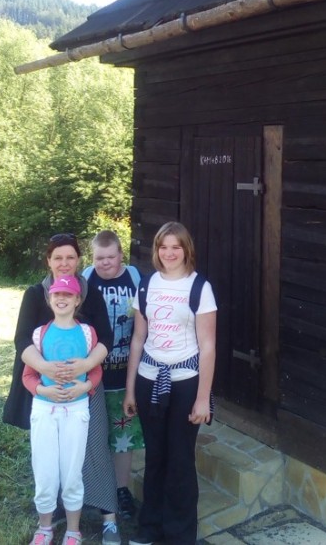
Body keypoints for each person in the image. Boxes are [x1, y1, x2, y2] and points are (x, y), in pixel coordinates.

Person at [2, 233, 122, 545]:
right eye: (58, 258)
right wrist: (45, 370)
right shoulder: (35, 295)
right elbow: (22, 340)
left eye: (70, 257)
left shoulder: (90, 294)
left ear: (79, 260)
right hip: (46, 388)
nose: (64, 263)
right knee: (51, 454)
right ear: (49, 261)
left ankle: (108, 517)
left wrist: (85, 368)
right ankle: (53, 514)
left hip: (85, 387)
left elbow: (106, 339)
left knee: (95, 446)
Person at [123, 222, 217, 545]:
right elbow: (138, 339)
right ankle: (150, 528)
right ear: (156, 250)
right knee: (155, 457)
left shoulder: (199, 288)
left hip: (185, 384)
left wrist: (203, 398)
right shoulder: (147, 285)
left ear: (186, 249)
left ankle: (179, 535)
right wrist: (130, 389)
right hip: (149, 380)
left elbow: (208, 346)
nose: (169, 253)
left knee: (180, 460)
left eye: (176, 247)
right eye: (163, 247)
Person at [22, 274, 102, 545]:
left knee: (71, 473)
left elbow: (96, 370)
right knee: (45, 471)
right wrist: (44, 391)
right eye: (57, 294)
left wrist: (86, 387)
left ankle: (73, 530)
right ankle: (45, 528)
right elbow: (28, 376)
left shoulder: (87, 334)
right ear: (49, 299)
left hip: (76, 410)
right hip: (45, 410)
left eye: (68, 295)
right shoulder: (40, 334)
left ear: (78, 300)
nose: (62, 299)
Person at [82, 231, 144, 520]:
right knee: (92, 438)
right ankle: (91, 489)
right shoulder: (86, 280)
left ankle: (121, 489)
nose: (105, 263)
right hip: (92, 378)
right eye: (99, 258)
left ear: (121, 255)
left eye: (110, 257)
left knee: (123, 437)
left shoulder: (134, 278)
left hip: (124, 376)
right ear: (92, 258)